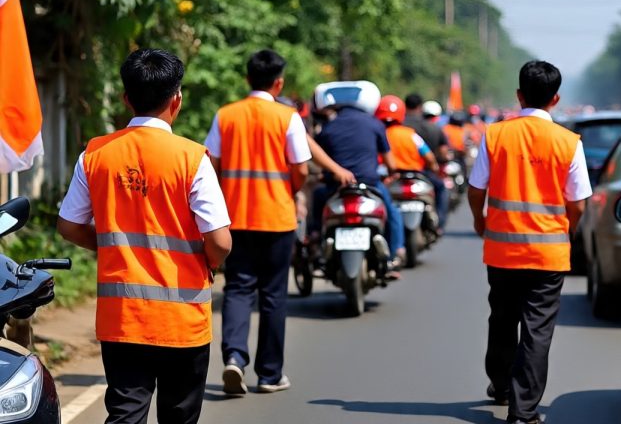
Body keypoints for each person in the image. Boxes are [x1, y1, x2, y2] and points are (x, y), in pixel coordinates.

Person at [57, 48, 232, 423]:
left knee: (125, 414)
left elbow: (69, 225)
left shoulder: (95, 154)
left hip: (123, 318)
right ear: (177, 99)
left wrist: (107, 246)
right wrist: (208, 263)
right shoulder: (192, 158)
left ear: (125, 98)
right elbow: (220, 242)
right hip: (183, 319)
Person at [467, 60, 592, 424]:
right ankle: (523, 413)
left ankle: (500, 384)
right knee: (537, 331)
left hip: (502, 250)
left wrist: (480, 220)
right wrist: (567, 231)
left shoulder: (496, 134)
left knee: (502, 319)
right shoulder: (568, 142)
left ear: (519, 96)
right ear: (556, 99)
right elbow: (578, 204)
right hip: (548, 255)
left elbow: (477, 190)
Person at [205, 49, 311, 396]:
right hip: (277, 218)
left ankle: (234, 357)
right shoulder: (288, 117)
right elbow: (301, 169)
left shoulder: (226, 115)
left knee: (237, 289)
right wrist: (291, 191)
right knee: (273, 296)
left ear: (248, 78)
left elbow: (212, 164)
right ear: (278, 82)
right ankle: (269, 375)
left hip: (234, 217)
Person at [311, 81, 405, 276]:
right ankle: (394, 254)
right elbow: (391, 164)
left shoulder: (328, 127)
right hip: (370, 185)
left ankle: (315, 245)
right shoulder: (376, 124)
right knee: (392, 212)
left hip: (335, 187)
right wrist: (391, 173)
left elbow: (318, 157)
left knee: (318, 203)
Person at [379, 95, 449, 233]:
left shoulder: (381, 134)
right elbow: (428, 155)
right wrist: (434, 167)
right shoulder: (411, 134)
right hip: (417, 174)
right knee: (441, 188)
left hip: (390, 176)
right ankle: (439, 225)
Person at [404, 93, 450, 163]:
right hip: (427, 168)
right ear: (420, 107)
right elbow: (443, 152)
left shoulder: (399, 126)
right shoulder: (436, 129)